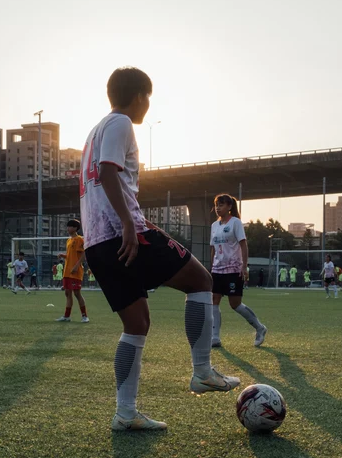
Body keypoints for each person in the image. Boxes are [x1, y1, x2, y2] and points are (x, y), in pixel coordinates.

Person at [80, 67, 239, 431]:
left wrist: (135, 220)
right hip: (120, 234)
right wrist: (128, 225)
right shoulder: (121, 123)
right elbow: (107, 173)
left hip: (96, 243)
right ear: (139, 96)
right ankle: (202, 372)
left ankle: (125, 413)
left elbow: (106, 180)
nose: (148, 106)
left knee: (136, 325)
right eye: (148, 98)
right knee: (201, 280)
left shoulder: (96, 130)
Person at [209, 193, 267, 349]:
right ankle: (215, 337)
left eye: (221, 205)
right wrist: (211, 267)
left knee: (235, 304)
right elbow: (213, 248)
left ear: (229, 207)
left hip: (234, 269)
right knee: (214, 299)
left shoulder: (236, 223)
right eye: (216, 205)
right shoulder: (214, 226)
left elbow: (243, 244)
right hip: (217, 269)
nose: (218, 208)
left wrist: (244, 266)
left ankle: (260, 327)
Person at [56, 219, 90, 322]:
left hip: (75, 271)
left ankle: (84, 316)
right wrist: (63, 255)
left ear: (75, 228)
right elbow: (71, 256)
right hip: (67, 271)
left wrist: (76, 266)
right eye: (67, 226)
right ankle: (67, 316)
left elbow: (84, 254)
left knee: (77, 293)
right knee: (67, 293)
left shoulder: (80, 239)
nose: (68, 228)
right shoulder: (69, 240)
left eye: (70, 226)